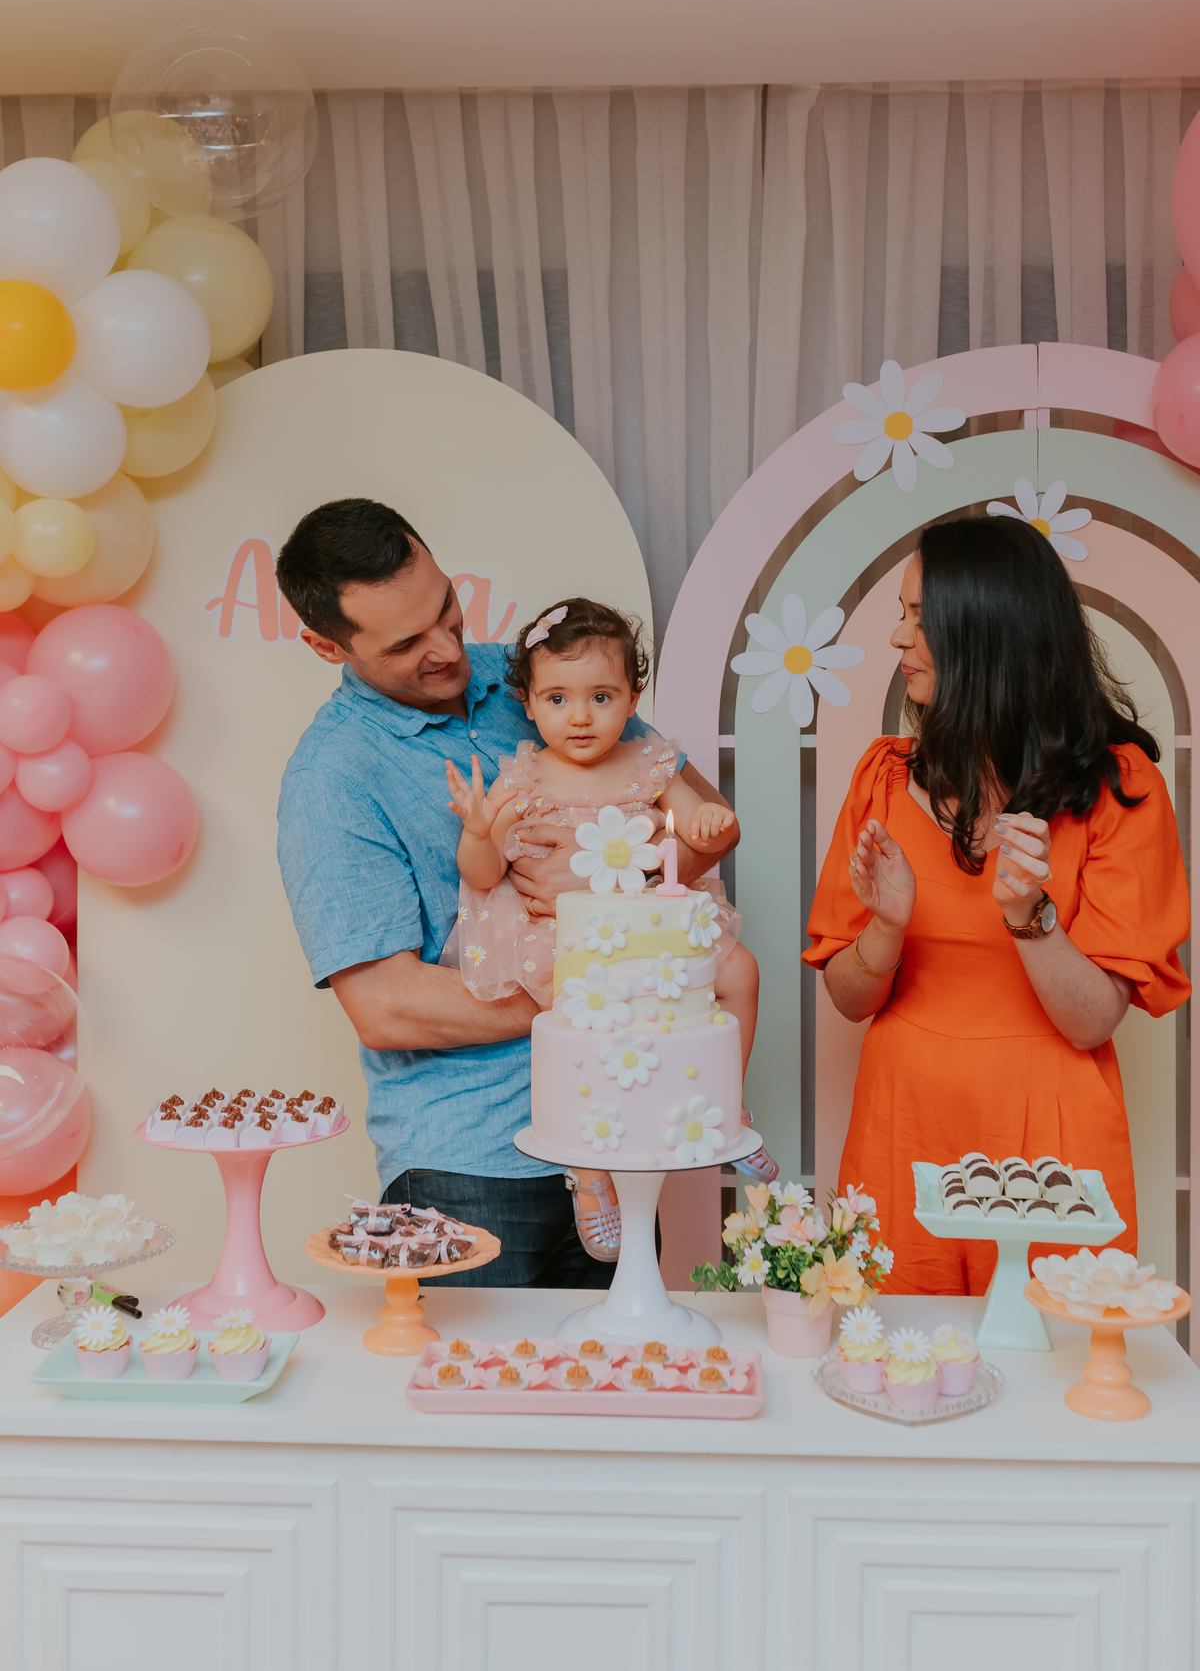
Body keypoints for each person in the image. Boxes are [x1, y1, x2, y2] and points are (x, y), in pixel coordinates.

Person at [274, 497, 733, 1288]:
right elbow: (386, 1007)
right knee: (474, 1400)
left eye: (448, 608)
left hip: (614, 1125)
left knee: (622, 1387)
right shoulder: (332, 777)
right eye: (408, 643)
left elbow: (694, 823)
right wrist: (604, 976)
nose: (449, 648)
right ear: (325, 644)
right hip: (469, 1169)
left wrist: (617, 878)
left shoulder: (540, 675)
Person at [803, 515, 1191, 1296]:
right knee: (899, 1376)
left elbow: (1091, 1020)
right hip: (899, 1126)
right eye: (901, 616)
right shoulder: (883, 778)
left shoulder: (1122, 792)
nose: (898, 640)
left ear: (986, 636)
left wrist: (1029, 917)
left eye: (919, 618)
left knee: (1050, 1379)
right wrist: (886, 925)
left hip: (1049, 1142)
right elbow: (845, 997)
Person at [444, 596, 773, 1258]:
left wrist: (710, 822)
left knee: (740, 970)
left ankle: (723, 1102)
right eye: (558, 698)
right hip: (569, 945)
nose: (581, 715)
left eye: (601, 695)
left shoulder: (650, 762)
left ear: (632, 696)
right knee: (587, 1034)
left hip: (653, 934)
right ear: (528, 703)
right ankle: (591, 1176)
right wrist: (480, 833)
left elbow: (696, 823)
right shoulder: (526, 777)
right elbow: (483, 875)